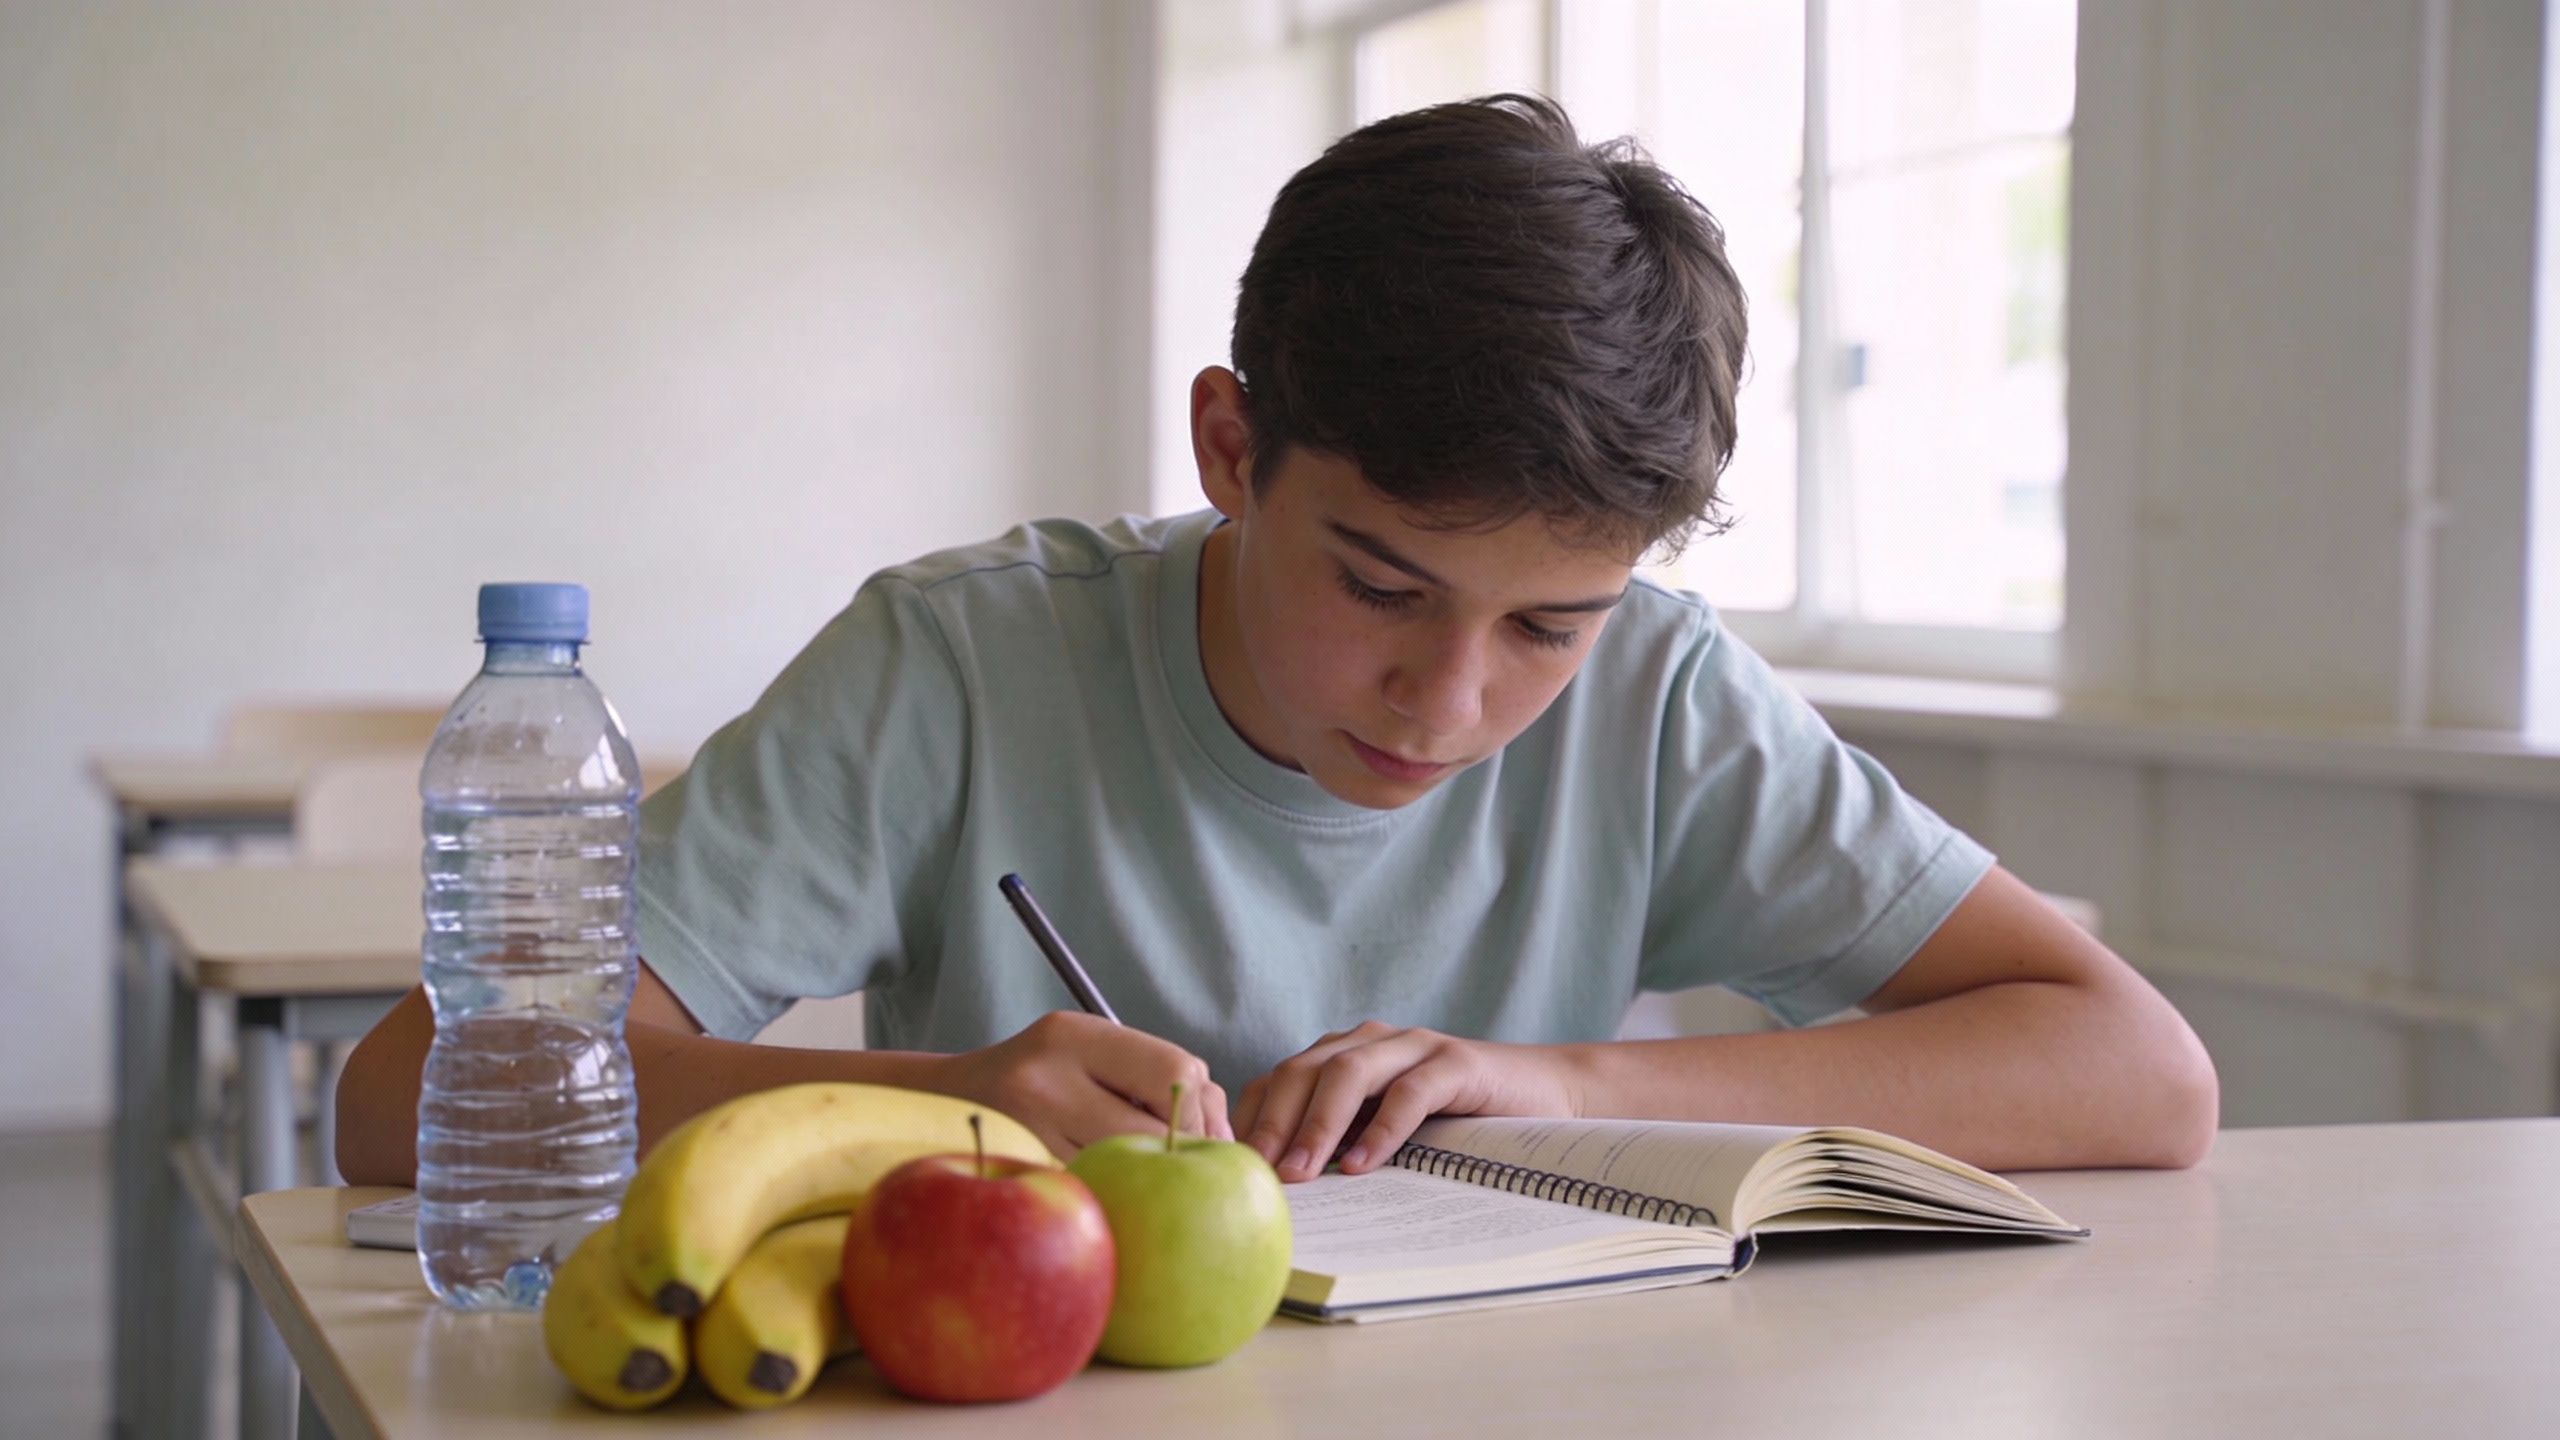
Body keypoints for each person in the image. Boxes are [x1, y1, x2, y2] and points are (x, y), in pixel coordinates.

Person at [338, 94, 2216, 1188]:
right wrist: (939, 1111)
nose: (1453, 701)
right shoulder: (961, 666)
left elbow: (2136, 1073)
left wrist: (1557, 1082)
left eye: (1549, 623)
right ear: (1230, 447)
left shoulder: (1658, 695)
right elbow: (398, 1095)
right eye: (1382, 586)